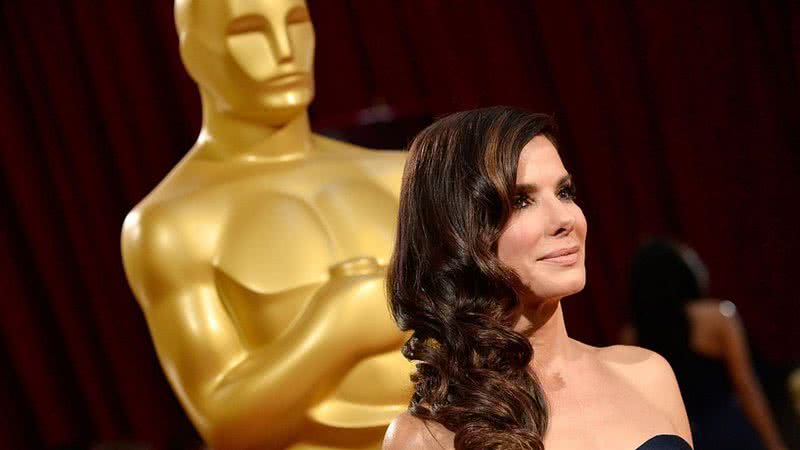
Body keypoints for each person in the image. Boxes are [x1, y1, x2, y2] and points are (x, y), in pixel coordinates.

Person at [120, 1, 413, 449]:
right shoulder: (171, 225)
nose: (284, 51)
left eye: (296, 23)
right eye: (249, 31)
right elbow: (224, 424)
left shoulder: (400, 173)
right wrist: (339, 327)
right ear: (194, 51)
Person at [382, 106, 693, 450]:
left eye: (564, 193)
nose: (565, 219)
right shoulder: (424, 437)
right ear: (458, 232)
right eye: (521, 201)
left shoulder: (647, 375)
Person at [621, 239, 787, 450]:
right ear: (680, 272)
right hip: (730, 429)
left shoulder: (631, 335)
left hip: (684, 437)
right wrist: (774, 443)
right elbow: (746, 387)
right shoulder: (719, 317)